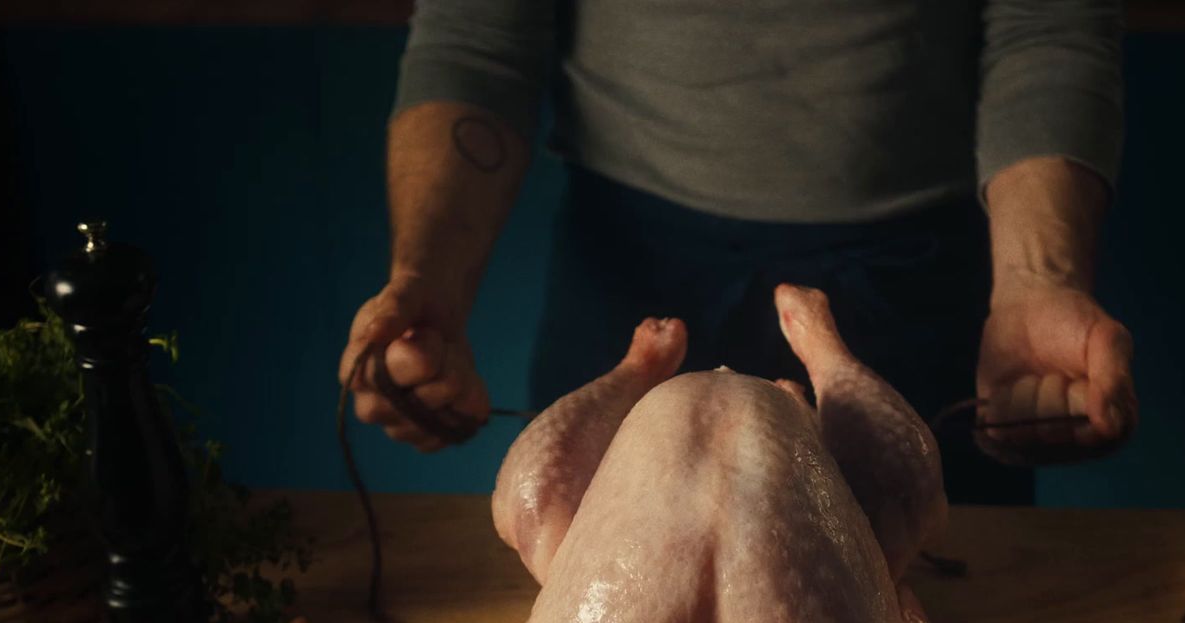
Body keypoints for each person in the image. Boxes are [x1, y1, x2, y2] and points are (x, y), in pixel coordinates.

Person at [340, 0, 1138, 505]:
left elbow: (1051, 25)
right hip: (630, 271)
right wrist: (425, 287)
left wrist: (1039, 282)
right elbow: (477, 33)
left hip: (919, 286)